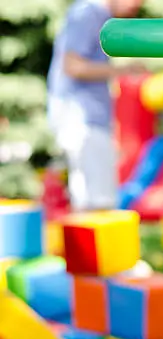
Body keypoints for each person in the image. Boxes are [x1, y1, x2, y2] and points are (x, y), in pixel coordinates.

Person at [47, 0, 145, 211]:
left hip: (87, 114)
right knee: (96, 197)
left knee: (94, 193)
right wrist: (123, 70)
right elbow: (73, 66)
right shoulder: (88, 14)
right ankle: (96, 244)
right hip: (81, 114)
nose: (137, 5)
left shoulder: (95, 15)